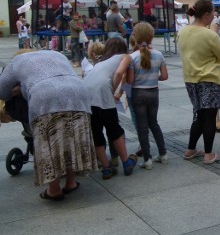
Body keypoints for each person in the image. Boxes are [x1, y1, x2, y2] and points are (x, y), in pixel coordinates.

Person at [0, 50, 97, 200]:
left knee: (48, 142)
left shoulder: (16, 62)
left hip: (45, 97)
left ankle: (54, 189)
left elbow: (2, 90)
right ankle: (71, 182)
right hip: (78, 93)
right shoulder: (57, 54)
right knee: (72, 140)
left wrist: (15, 91)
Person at [177, 0, 220, 164]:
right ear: (206, 14)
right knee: (210, 117)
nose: (214, 15)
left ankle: (190, 149)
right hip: (209, 79)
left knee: (199, 115)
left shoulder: (183, 31)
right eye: (213, 12)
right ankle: (208, 153)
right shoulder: (209, 34)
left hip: (190, 79)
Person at [83, 37, 138, 178]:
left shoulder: (101, 62)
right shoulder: (125, 56)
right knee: (114, 129)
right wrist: (112, 89)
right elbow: (120, 73)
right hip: (103, 92)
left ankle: (106, 168)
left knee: (96, 131)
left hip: (86, 93)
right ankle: (126, 163)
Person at [126, 22, 169, 169]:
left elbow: (130, 80)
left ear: (135, 37)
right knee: (154, 124)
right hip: (153, 92)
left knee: (142, 127)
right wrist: (152, 77)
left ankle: (147, 159)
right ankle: (163, 154)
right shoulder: (159, 54)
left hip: (138, 93)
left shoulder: (132, 57)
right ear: (151, 37)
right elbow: (164, 76)